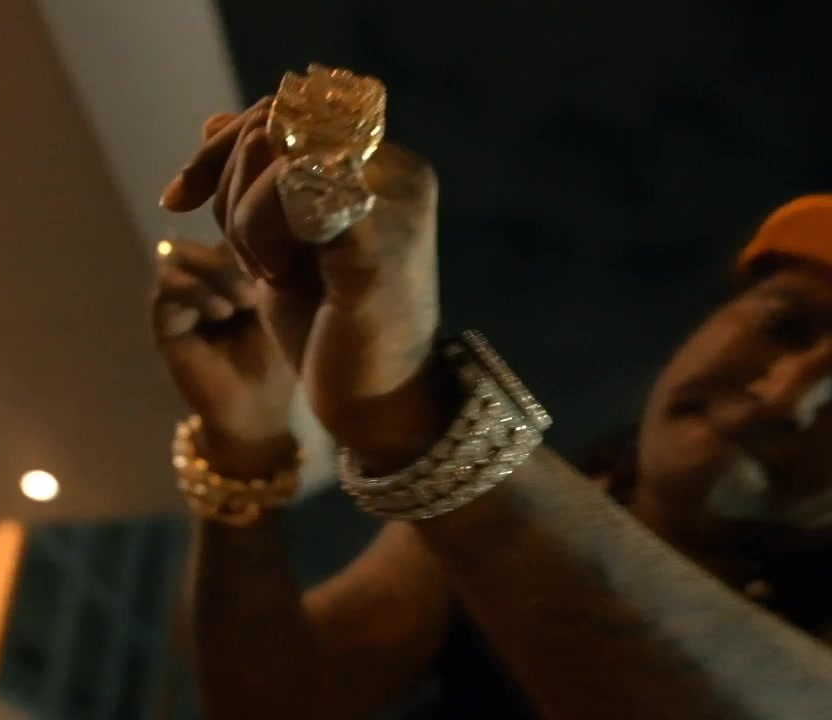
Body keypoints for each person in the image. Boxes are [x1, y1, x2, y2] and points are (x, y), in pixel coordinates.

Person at [150, 98, 832, 720]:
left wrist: (416, 419)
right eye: (786, 325)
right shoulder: (556, 501)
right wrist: (244, 449)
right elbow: (280, 702)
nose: (786, 398)